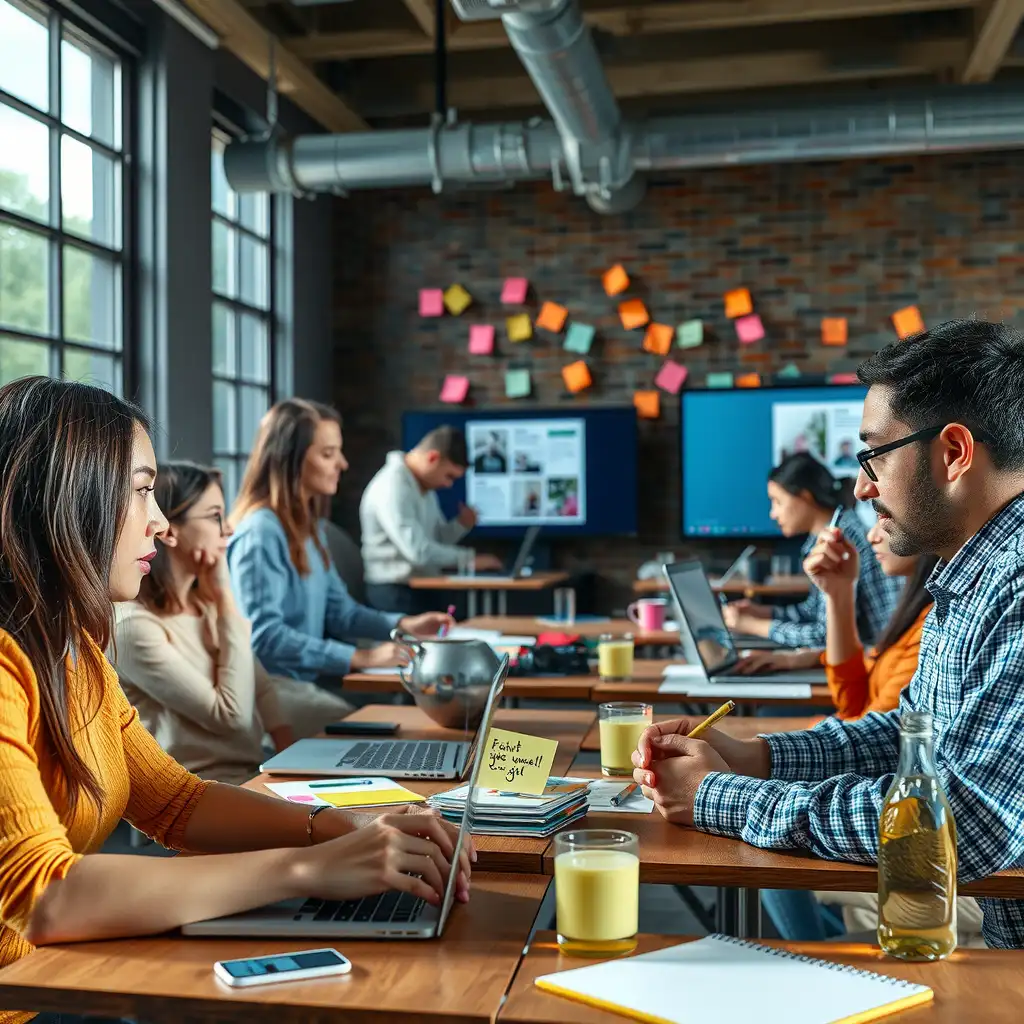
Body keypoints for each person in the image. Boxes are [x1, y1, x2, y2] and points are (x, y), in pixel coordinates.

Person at [0, 378, 473, 1023]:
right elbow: (45, 896)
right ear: (66, 495)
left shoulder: (73, 648)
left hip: (50, 983)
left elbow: (175, 802)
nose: (162, 525)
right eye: (142, 491)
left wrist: (339, 828)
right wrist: (308, 870)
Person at [632, 319, 1024, 949]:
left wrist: (718, 796)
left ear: (953, 453)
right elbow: (907, 732)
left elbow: (967, 823)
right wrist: (754, 757)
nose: (862, 488)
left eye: (873, 456)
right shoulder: (975, 572)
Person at [227, 399, 453, 686]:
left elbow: (340, 612)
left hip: (303, 686)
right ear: (289, 459)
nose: (342, 464)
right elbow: (264, 637)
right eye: (328, 454)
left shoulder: (309, 528)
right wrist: (361, 657)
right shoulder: (260, 533)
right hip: (270, 695)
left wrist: (403, 625)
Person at [112, 462, 302, 782]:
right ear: (169, 531)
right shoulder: (133, 627)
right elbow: (232, 717)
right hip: (200, 790)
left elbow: (262, 688)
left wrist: (295, 766)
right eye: (215, 516)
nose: (228, 529)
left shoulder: (206, 606)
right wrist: (225, 594)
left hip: (253, 772)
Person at [723, 453, 900, 647]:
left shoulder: (839, 540)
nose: (772, 513)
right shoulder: (832, 530)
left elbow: (826, 636)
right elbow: (815, 611)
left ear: (805, 497)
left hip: (877, 660)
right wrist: (764, 613)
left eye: (777, 501)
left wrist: (751, 625)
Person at [359, 426, 501, 614]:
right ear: (432, 458)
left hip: (418, 586)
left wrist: (461, 524)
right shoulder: (392, 486)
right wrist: (468, 559)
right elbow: (418, 552)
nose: (448, 484)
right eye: (449, 476)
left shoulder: (422, 487)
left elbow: (435, 541)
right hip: (394, 593)